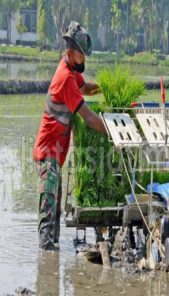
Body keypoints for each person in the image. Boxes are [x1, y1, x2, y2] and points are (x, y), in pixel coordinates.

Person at [33, 21, 106, 251]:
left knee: (55, 205)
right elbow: (89, 118)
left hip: (57, 151)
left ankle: (50, 249)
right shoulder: (65, 77)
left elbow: (85, 88)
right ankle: (46, 256)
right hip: (48, 151)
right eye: (81, 55)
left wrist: (106, 87)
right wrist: (113, 129)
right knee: (49, 200)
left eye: (85, 56)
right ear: (69, 52)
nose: (84, 60)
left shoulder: (72, 72)